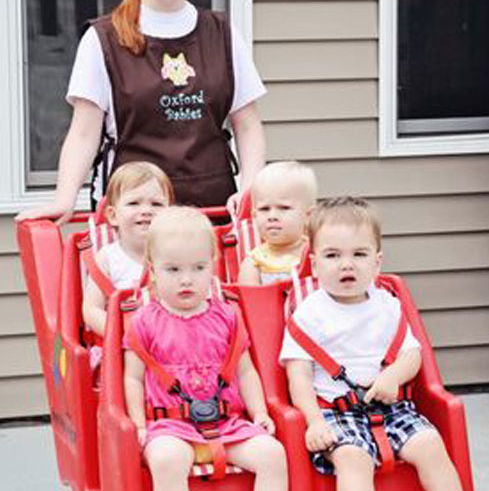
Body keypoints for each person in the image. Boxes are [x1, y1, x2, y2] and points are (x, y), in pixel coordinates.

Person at [16, 0, 266, 225]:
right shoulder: (102, 40)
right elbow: (84, 134)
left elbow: (247, 124)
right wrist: (64, 200)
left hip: (211, 212)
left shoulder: (222, 33)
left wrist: (249, 189)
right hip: (133, 217)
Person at [279, 197, 463, 491]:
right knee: (354, 459)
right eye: (332, 255)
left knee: (431, 445)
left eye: (359, 254)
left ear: (377, 263)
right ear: (314, 264)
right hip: (336, 412)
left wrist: (394, 376)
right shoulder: (308, 314)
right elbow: (298, 377)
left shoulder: (387, 304)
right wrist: (314, 421)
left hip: (393, 408)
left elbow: (411, 354)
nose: (347, 264)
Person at [123, 206, 288, 491]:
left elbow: (245, 372)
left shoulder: (227, 316)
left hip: (227, 423)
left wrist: (259, 412)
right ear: (153, 270)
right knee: (167, 459)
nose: (186, 279)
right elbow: (133, 378)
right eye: (173, 269)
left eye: (198, 268)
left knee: (272, 454)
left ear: (212, 265)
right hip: (170, 426)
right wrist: (138, 424)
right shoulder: (144, 321)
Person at [83, 161, 173, 338]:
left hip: (173, 340)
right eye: (133, 203)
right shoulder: (108, 258)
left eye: (156, 204)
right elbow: (91, 310)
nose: (146, 210)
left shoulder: (178, 255)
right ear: (113, 216)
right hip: (123, 343)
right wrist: (123, 336)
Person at [238, 161, 316, 285]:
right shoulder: (255, 262)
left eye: (284, 208)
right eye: (264, 209)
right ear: (254, 215)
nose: (272, 216)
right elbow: (250, 295)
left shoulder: (317, 254)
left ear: (308, 216)